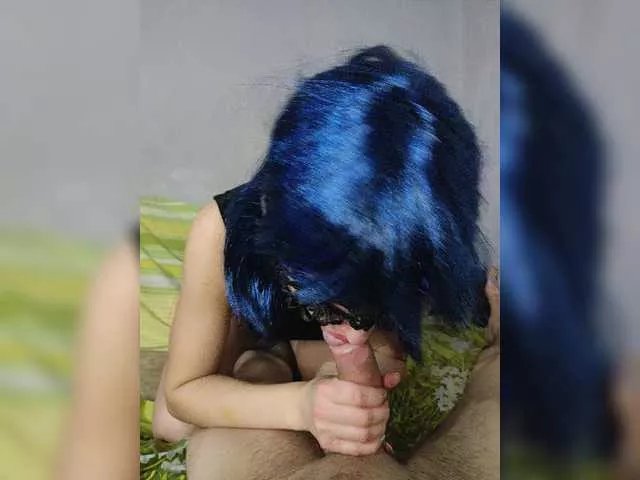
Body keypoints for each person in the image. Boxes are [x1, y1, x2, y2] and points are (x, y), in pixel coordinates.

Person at [149, 45, 494, 479]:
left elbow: (361, 368)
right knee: (172, 421)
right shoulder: (218, 229)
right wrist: (298, 405)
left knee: (357, 378)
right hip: (255, 304)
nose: (345, 318)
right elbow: (184, 392)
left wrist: (351, 395)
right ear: (271, 200)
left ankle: (282, 357)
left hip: (330, 334)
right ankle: (265, 351)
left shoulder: (405, 252)